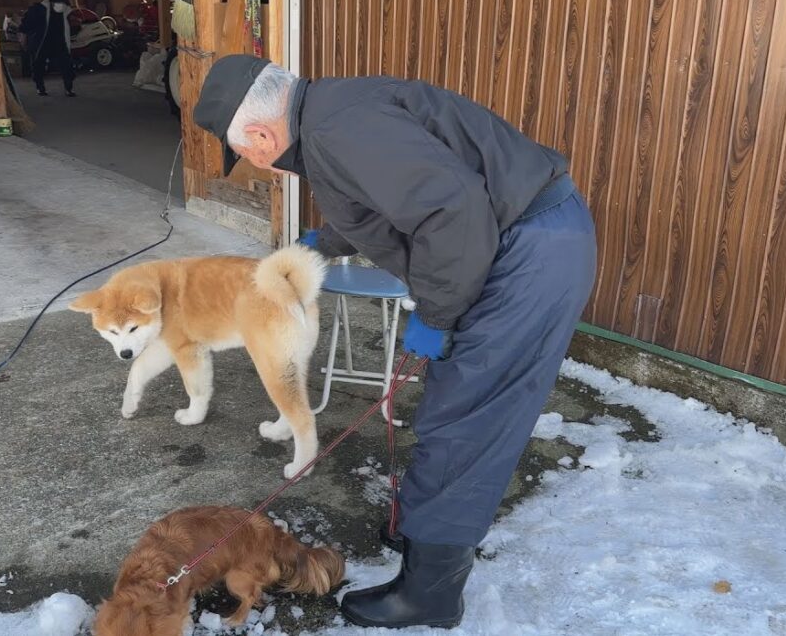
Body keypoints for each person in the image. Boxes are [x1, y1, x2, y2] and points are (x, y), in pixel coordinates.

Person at [193, 55, 597, 629]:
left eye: (250, 155)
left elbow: (451, 213)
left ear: (260, 135)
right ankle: (428, 540)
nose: (259, 163)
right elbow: (395, 194)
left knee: (466, 418)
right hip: (518, 242)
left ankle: (430, 593)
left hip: (528, 253)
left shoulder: (340, 129)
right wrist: (324, 241)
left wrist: (438, 314)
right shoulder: (334, 113)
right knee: (454, 409)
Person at [18, 0, 77, 97]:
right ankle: (40, 88)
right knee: (38, 65)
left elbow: (71, 26)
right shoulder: (40, 9)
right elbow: (26, 23)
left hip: (60, 42)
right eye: (59, 2)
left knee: (67, 65)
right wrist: (22, 35)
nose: (61, 5)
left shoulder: (66, 10)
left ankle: (69, 88)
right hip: (42, 42)